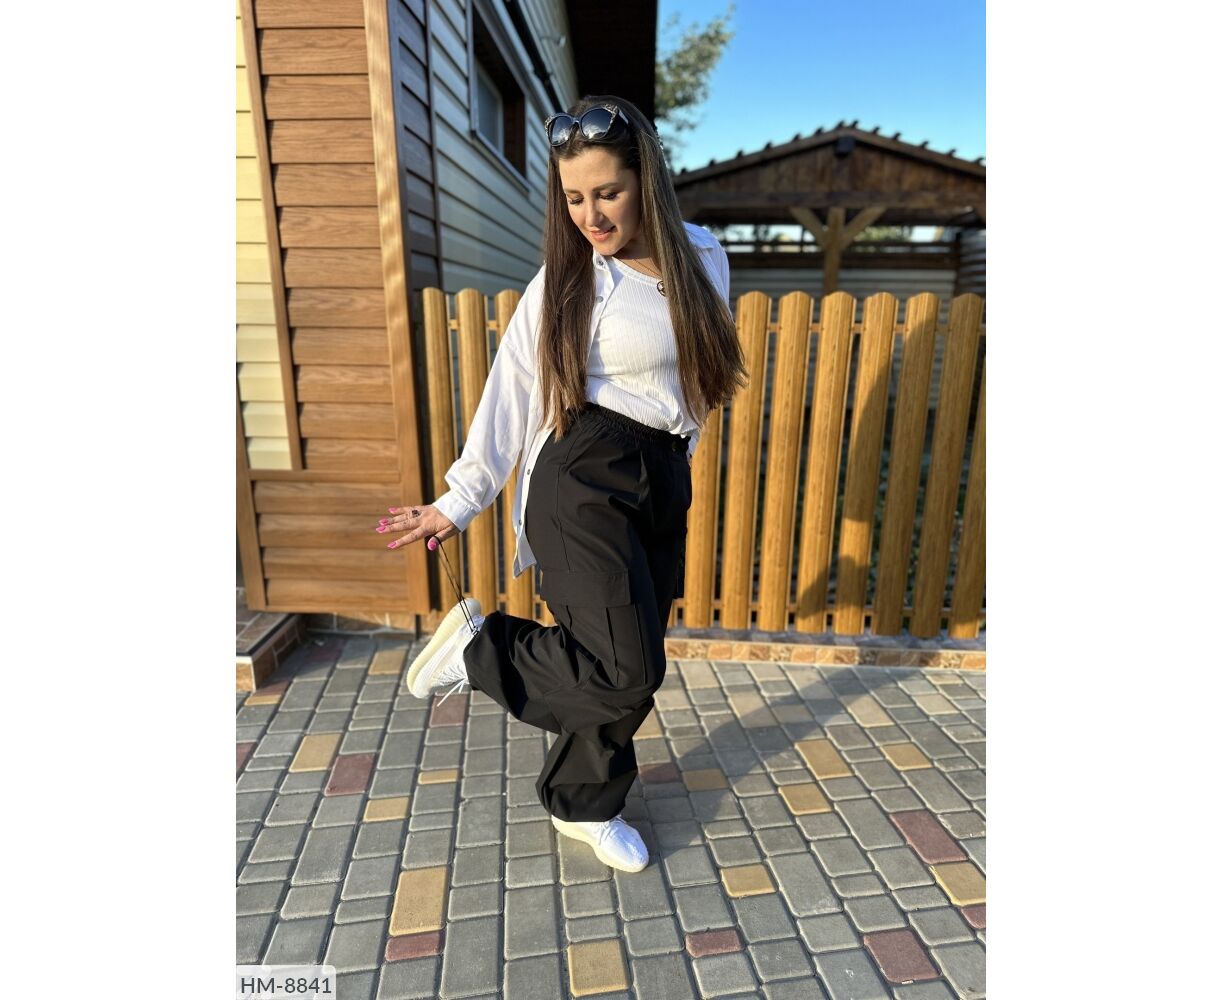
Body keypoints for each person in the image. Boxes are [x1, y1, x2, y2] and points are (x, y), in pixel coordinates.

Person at [375, 95, 748, 872]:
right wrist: (459, 499)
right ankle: (480, 650)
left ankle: (585, 804)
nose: (591, 216)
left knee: (628, 660)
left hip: (659, 472)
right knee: (623, 668)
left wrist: (679, 459)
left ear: (647, 181)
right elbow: (511, 388)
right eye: (574, 198)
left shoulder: (702, 255)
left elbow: (695, 380)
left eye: (607, 192)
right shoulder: (570, 281)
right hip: (583, 474)